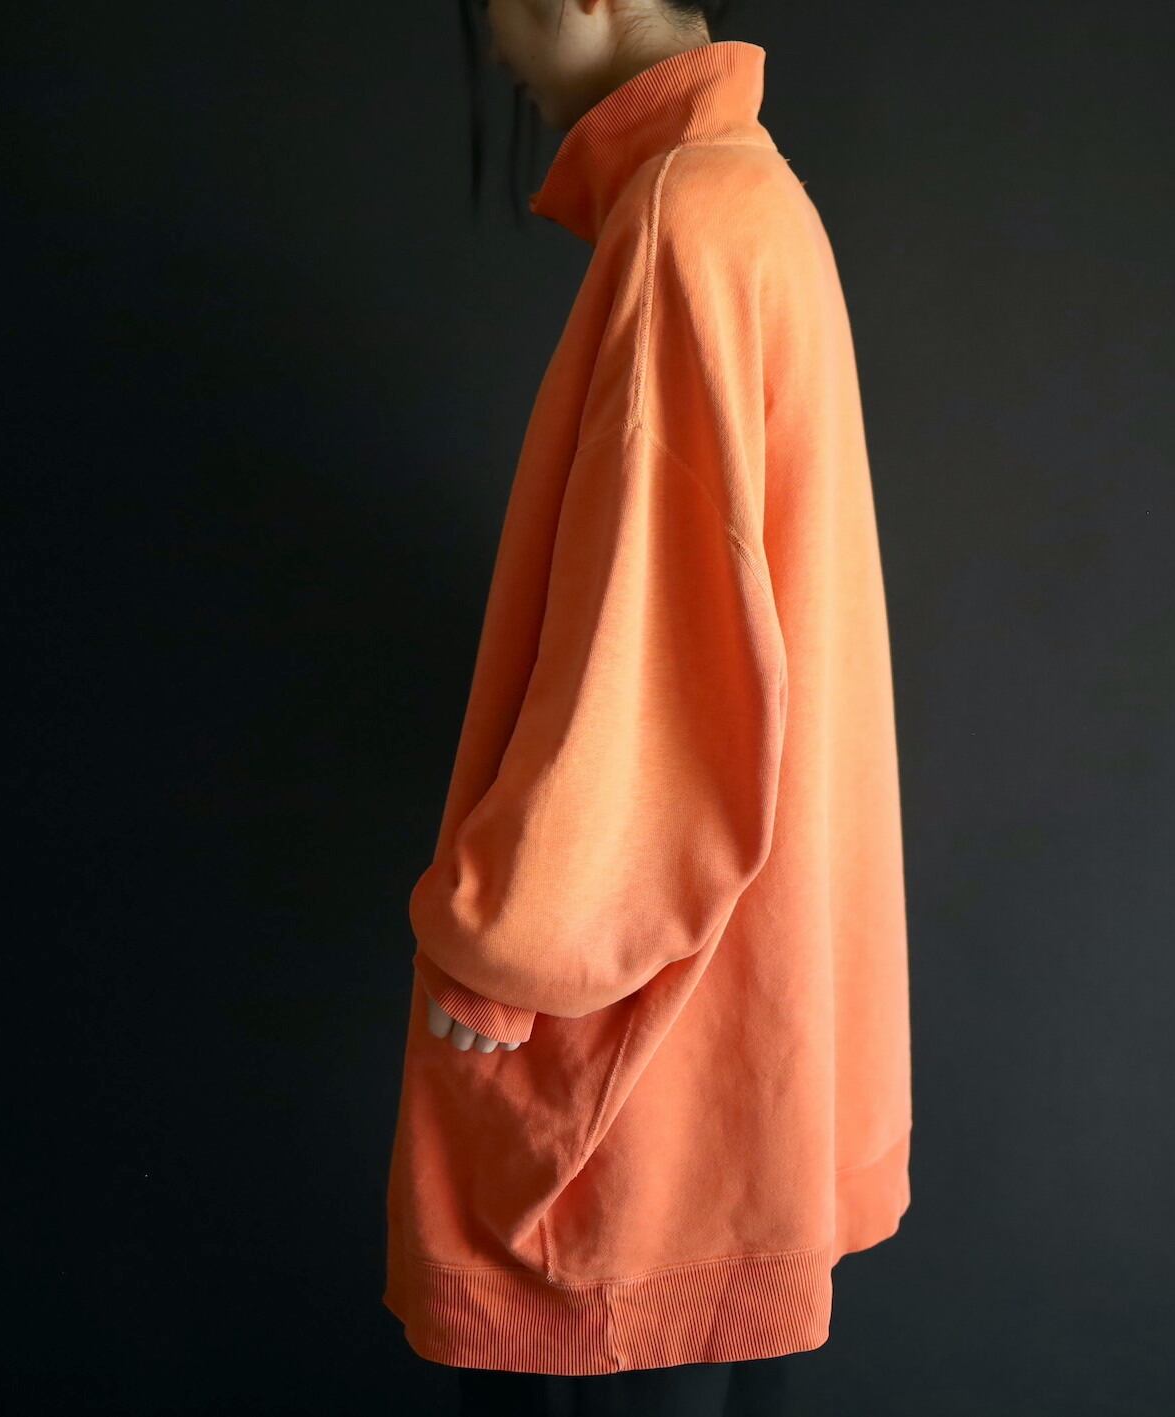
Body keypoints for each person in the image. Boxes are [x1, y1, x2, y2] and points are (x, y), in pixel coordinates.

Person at [383, 3, 913, 1410]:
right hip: (754, 1004)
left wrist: (512, 944)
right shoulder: (750, 196)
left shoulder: (687, 217)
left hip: (657, 1014)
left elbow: (658, 641)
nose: (496, 49)